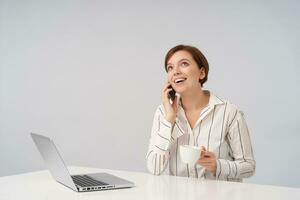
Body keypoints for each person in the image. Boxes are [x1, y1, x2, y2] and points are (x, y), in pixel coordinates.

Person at [146, 45, 255, 181]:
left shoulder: (229, 112)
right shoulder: (163, 113)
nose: (175, 71)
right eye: (170, 68)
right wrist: (169, 119)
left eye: (184, 64)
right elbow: (154, 168)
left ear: (201, 73)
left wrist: (217, 166)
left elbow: (249, 167)